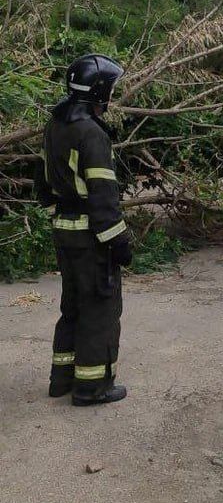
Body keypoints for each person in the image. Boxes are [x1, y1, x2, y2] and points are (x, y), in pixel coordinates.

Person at [35, 54, 132, 405]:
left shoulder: (56, 125)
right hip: (91, 237)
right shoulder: (91, 134)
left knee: (72, 305)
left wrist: (60, 211)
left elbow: (43, 184)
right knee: (100, 309)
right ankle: (92, 387)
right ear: (100, 90)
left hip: (64, 231)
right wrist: (119, 242)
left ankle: (61, 379)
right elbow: (103, 198)